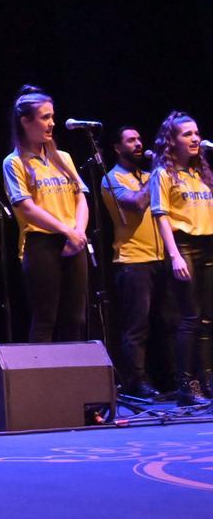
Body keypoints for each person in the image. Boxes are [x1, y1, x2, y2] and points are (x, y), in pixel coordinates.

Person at [1, 85, 90, 344]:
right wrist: (66, 231)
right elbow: (26, 207)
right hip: (42, 245)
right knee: (45, 318)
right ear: (25, 122)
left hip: (75, 241)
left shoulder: (63, 157)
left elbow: (80, 196)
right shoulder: (14, 162)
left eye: (52, 116)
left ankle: (72, 381)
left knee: (75, 319)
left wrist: (78, 233)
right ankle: (41, 382)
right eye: (45, 117)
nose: (52, 123)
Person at [102, 126, 172, 400]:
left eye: (139, 139)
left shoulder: (146, 175)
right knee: (137, 327)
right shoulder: (112, 178)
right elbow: (137, 204)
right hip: (132, 261)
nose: (139, 144)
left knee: (165, 323)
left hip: (159, 258)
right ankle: (135, 383)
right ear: (118, 148)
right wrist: (157, 171)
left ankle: (166, 381)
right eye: (131, 140)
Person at [149, 112, 213, 406]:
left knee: (207, 319)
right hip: (184, 246)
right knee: (190, 317)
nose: (195, 138)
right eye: (187, 134)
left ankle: (208, 380)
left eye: (196, 133)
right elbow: (161, 216)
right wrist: (174, 255)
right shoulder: (164, 173)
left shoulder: (202, 172)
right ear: (172, 141)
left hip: (208, 243)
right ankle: (187, 385)